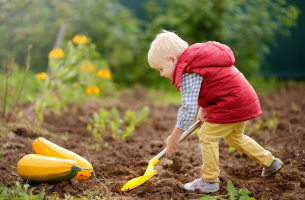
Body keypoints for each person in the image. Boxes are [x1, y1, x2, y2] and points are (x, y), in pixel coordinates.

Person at [147, 30, 283, 193]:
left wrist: (175, 136)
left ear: (172, 59)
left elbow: (188, 108)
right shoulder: (198, 61)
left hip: (230, 102)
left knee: (207, 135)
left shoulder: (189, 72)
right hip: (242, 98)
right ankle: (270, 162)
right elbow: (212, 84)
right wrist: (204, 108)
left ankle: (209, 181)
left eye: (160, 69)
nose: (161, 74)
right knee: (234, 138)